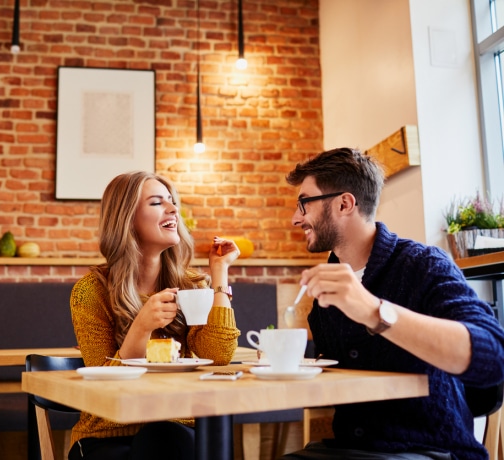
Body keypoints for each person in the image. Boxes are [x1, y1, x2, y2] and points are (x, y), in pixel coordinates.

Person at [281, 147, 504, 460]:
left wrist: (374, 311)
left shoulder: (423, 265)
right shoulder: (326, 290)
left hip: (431, 450)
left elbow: (494, 356)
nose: (295, 218)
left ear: (345, 203)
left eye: (304, 203)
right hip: (352, 450)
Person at [68, 171, 240, 460]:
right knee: (165, 439)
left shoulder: (192, 285)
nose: (173, 209)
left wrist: (219, 272)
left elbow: (218, 355)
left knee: (168, 435)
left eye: (172, 202)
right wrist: (142, 327)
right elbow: (104, 391)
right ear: (126, 218)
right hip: (109, 435)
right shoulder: (91, 291)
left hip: (178, 427)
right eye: (157, 203)